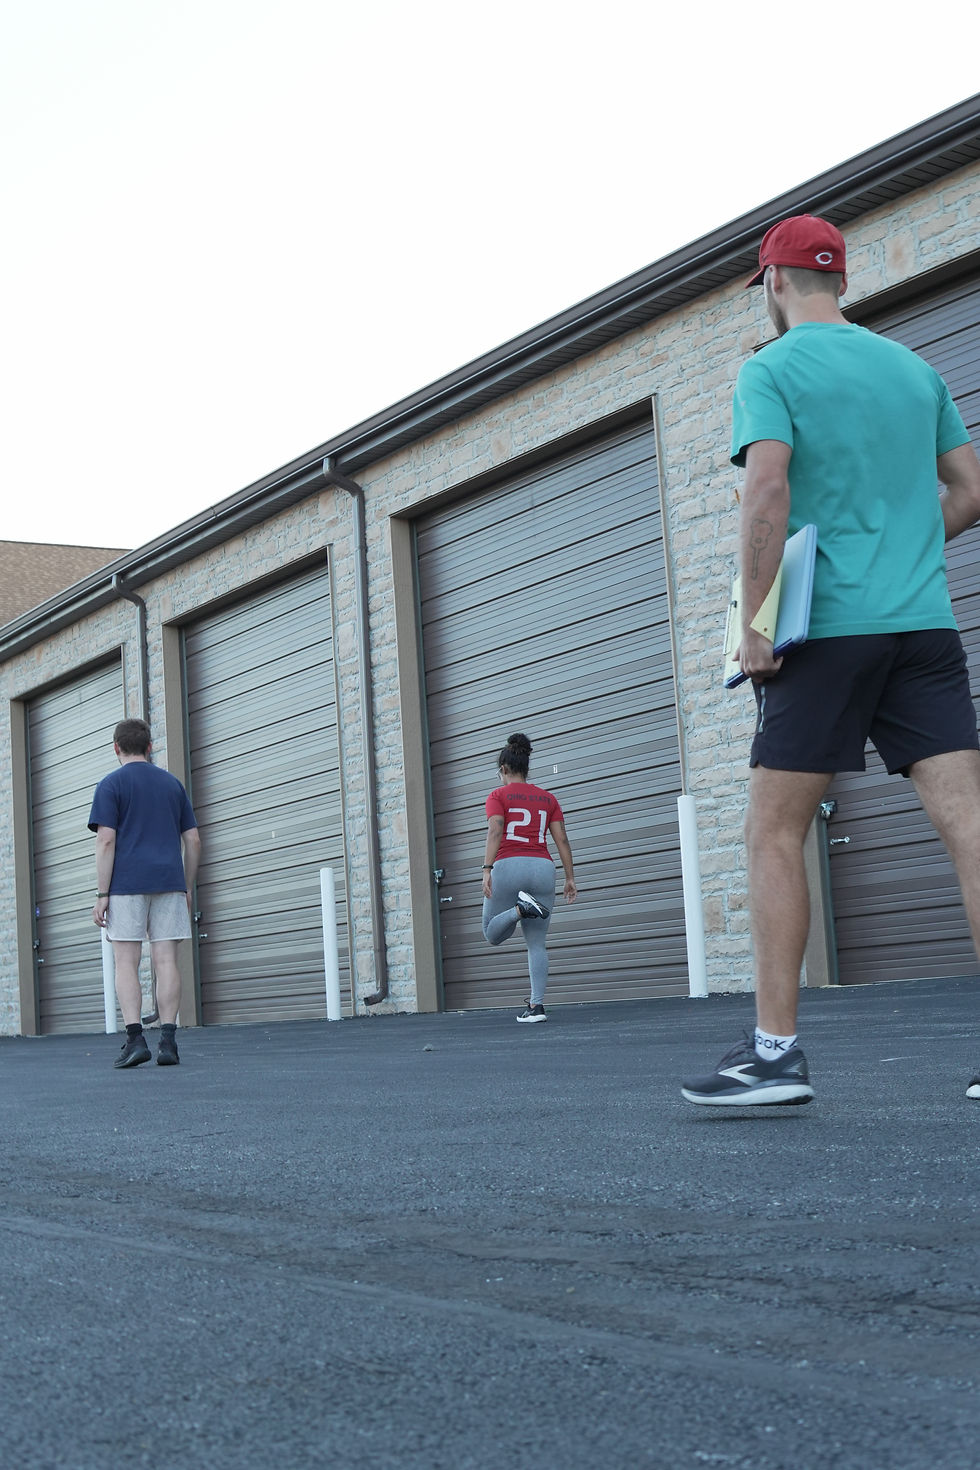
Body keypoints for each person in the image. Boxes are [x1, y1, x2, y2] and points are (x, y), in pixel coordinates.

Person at [681, 214, 980, 1107]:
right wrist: (910, 555)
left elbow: (767, 486)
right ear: (836, 280)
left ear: (774, 284)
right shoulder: (913, 368)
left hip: (829, 632)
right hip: (924, 629)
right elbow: (970, 491)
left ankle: (774, 1056)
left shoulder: (771, 369)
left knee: (773, 830)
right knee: (969, 828)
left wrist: (758, 625)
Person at [89, 718, 201, 1069]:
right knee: (166, 960)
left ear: (116, 748)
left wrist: (102, 893)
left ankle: (136, 1038)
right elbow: (194, 840)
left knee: (127, 962)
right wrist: (187, 886)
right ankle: (168, 1041)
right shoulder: (172, 785)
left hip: (126, 886)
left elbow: (106, 840)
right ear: (150, 746)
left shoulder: (111, 785)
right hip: (169, 882)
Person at [481, 732, 577, 1022]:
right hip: (542, 868)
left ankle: (518, 910)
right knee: (537, 943)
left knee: (491, 933)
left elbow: (495, 830)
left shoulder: (497, 796)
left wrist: (487, 869)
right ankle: (536, 1007)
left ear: (505, 770)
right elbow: (562, 840)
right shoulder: (549, 798)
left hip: (509, 866)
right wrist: (570, 878)